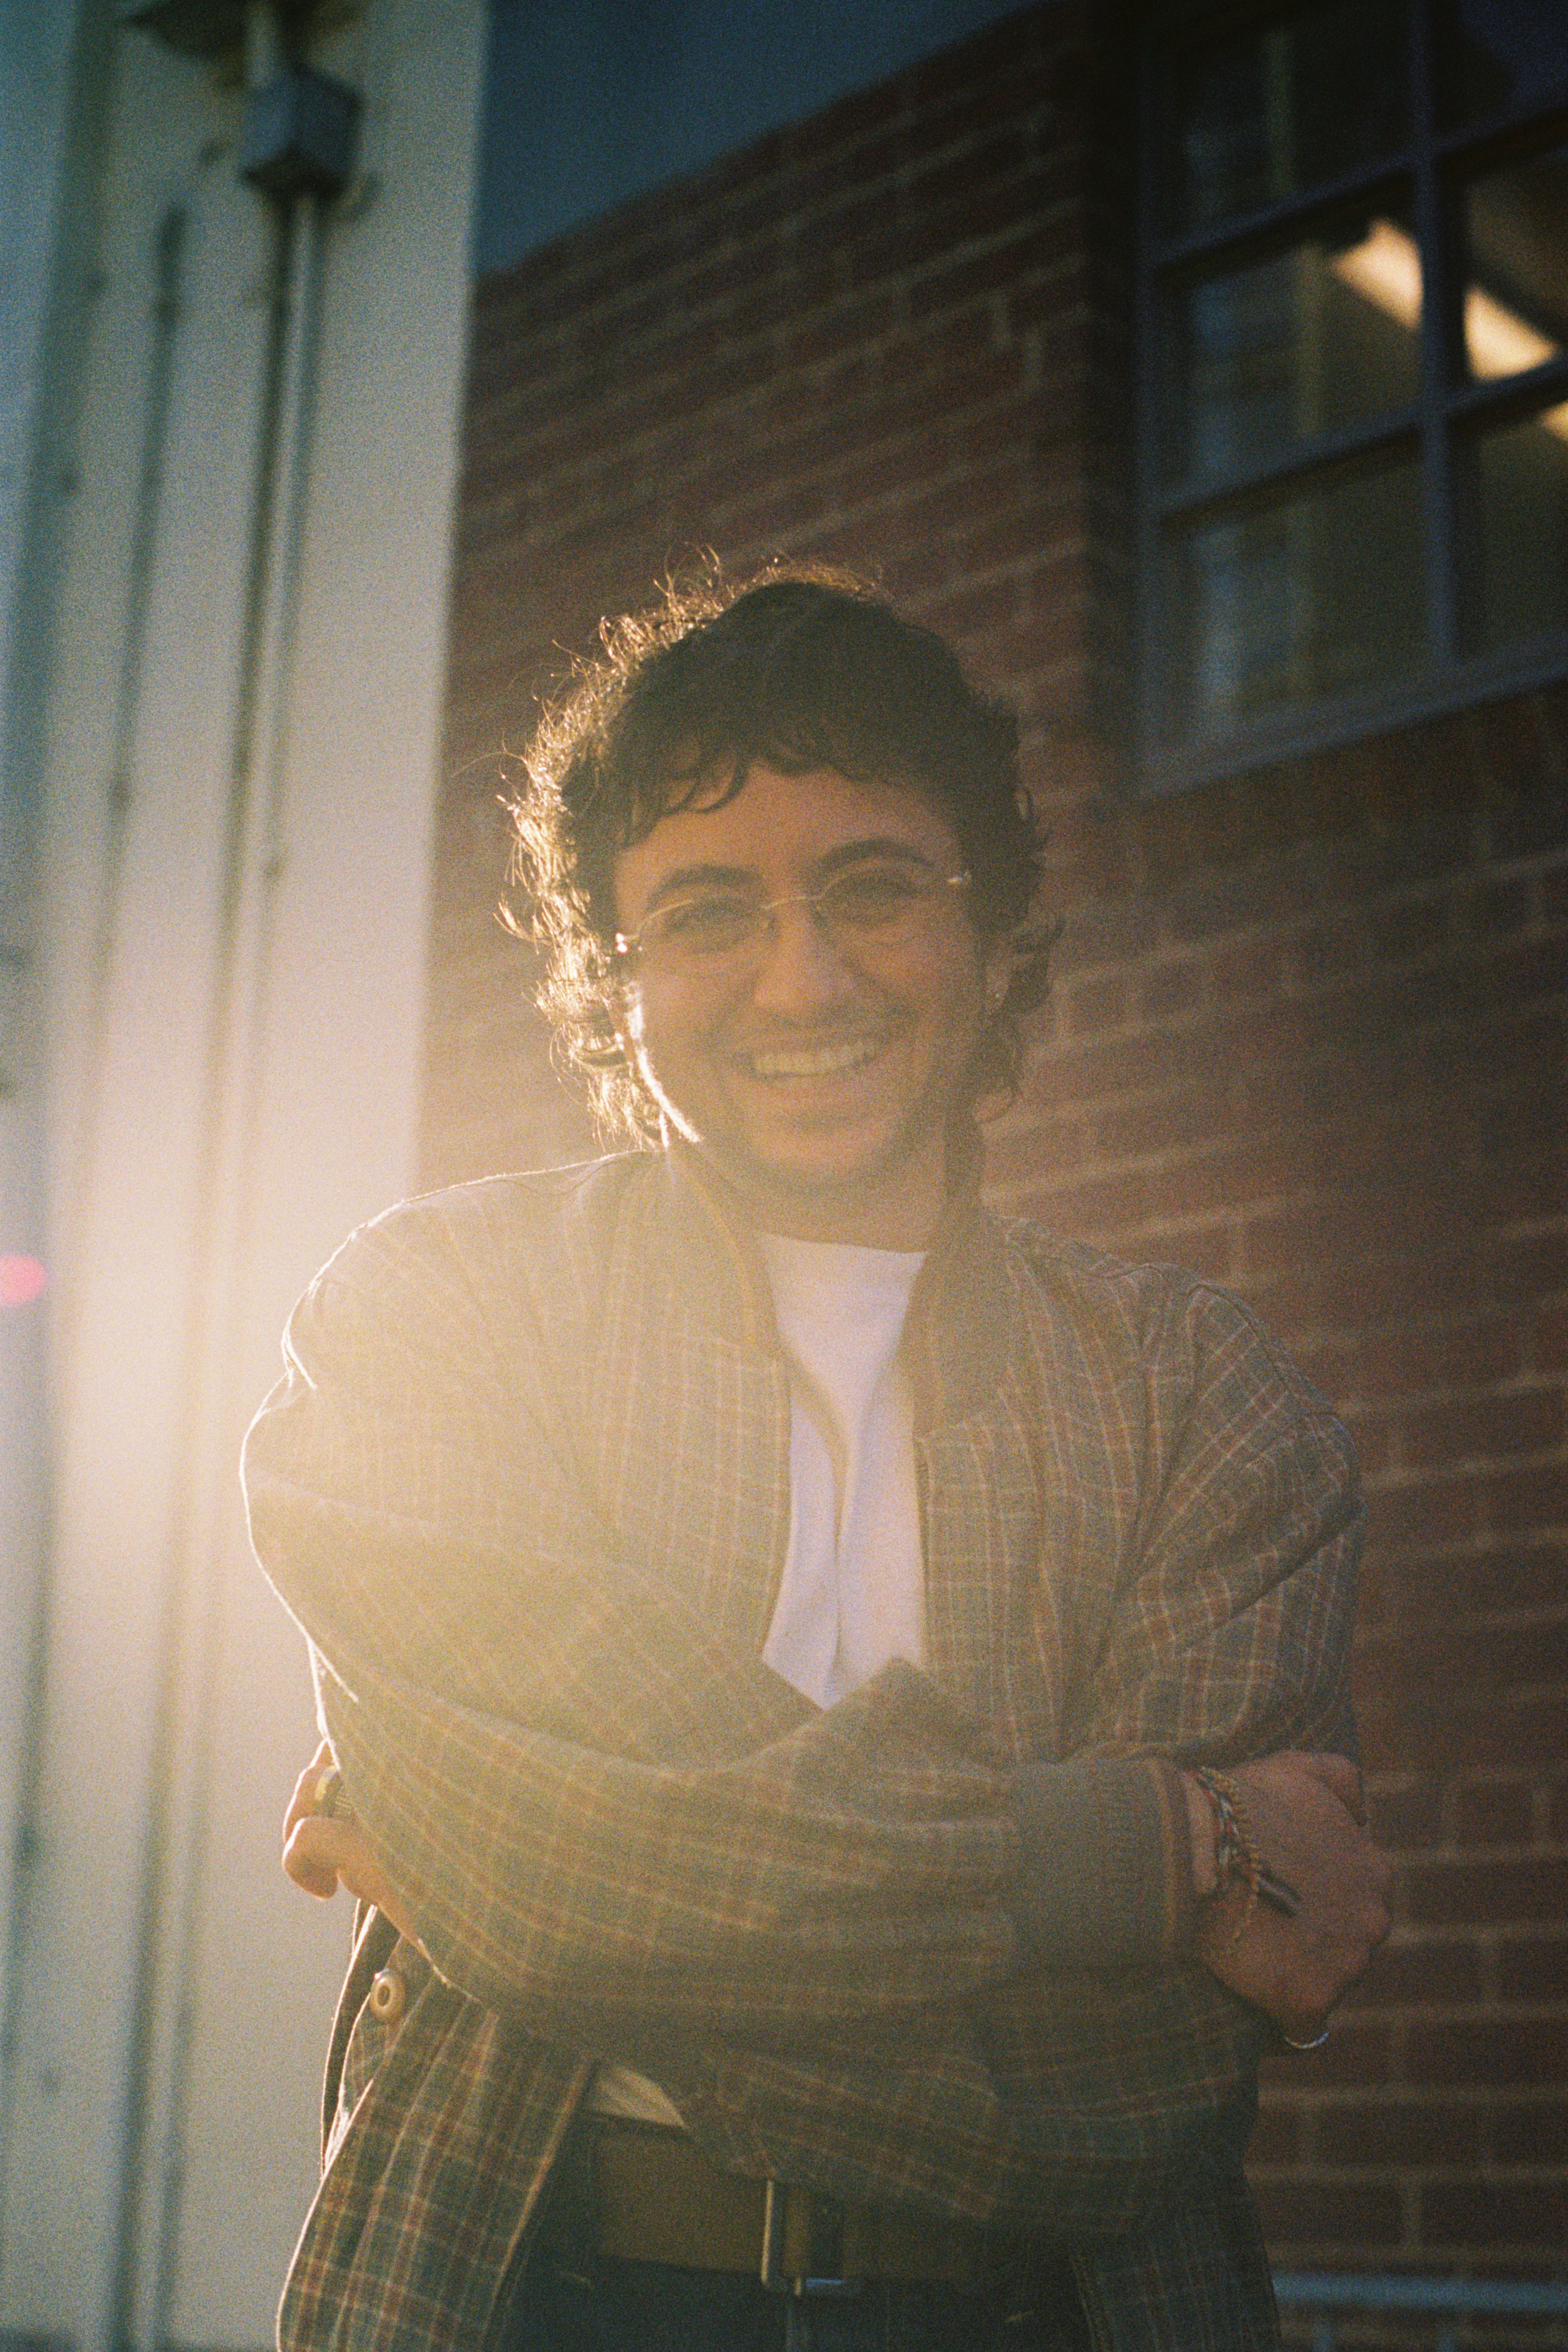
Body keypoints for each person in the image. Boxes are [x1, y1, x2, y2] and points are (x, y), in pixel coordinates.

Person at [246, 567, 1391, 2352]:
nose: (807, 975)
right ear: (612, 980)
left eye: (874, 885)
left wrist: (527, 1889)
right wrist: (1141, 1851)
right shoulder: (437, 1314)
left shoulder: (1200, 1392)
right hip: (516, 2286)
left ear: (992, 932)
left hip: (1059, 2315)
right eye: (708, 910)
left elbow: (1150, 2082)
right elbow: (1162, 1957)